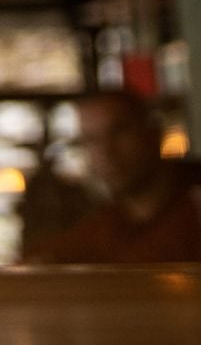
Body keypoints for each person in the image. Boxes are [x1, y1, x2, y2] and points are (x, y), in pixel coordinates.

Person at [26, 92, 201, 264]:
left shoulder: (191, 206)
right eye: (92, 140)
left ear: (153, 134)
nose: (106, 152)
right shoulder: (111, 223)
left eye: (118, 132)